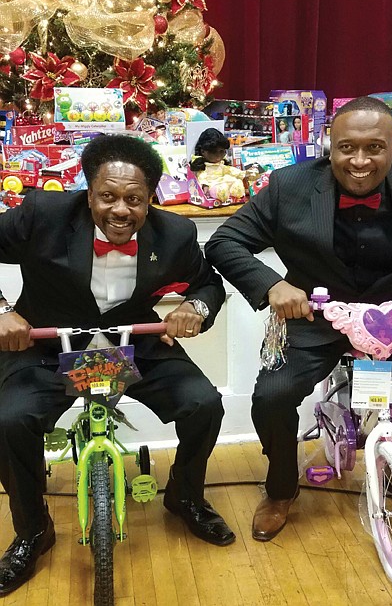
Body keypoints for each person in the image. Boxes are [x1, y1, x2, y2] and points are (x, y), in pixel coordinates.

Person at [205, 96, 392, 541]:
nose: (359, 161)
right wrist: (272, 285)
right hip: (315, 315)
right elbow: (225, 242)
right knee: (271, 396)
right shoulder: (289, 186)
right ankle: (281, 489)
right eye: (347, 148)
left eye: (374, 148)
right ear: (330, 144)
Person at [0, 134, 235, 596]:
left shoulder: (176, 233)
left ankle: (184, 497)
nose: (120, 210)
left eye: (135, 199)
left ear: (151, 199)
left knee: (204, 404)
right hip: (49, 343)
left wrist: (195, 309)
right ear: (88, 194)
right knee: (9, 419)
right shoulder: (42, 214)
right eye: (107, 196)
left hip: (133, 344)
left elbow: (210, 285)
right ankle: (32, 530)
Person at [189, 128, 246, 203]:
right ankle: (220, 192)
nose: (218, 156)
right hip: (212, 186)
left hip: (223, 182)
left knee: (236, 183)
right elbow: (201, 177)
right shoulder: (203, 166)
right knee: (221, 189)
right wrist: (204, 185)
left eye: (221, 151)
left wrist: (244, 174)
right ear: (203, 151)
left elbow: (231, 170)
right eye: (213, 152)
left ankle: (234, 191)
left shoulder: (222, 165)